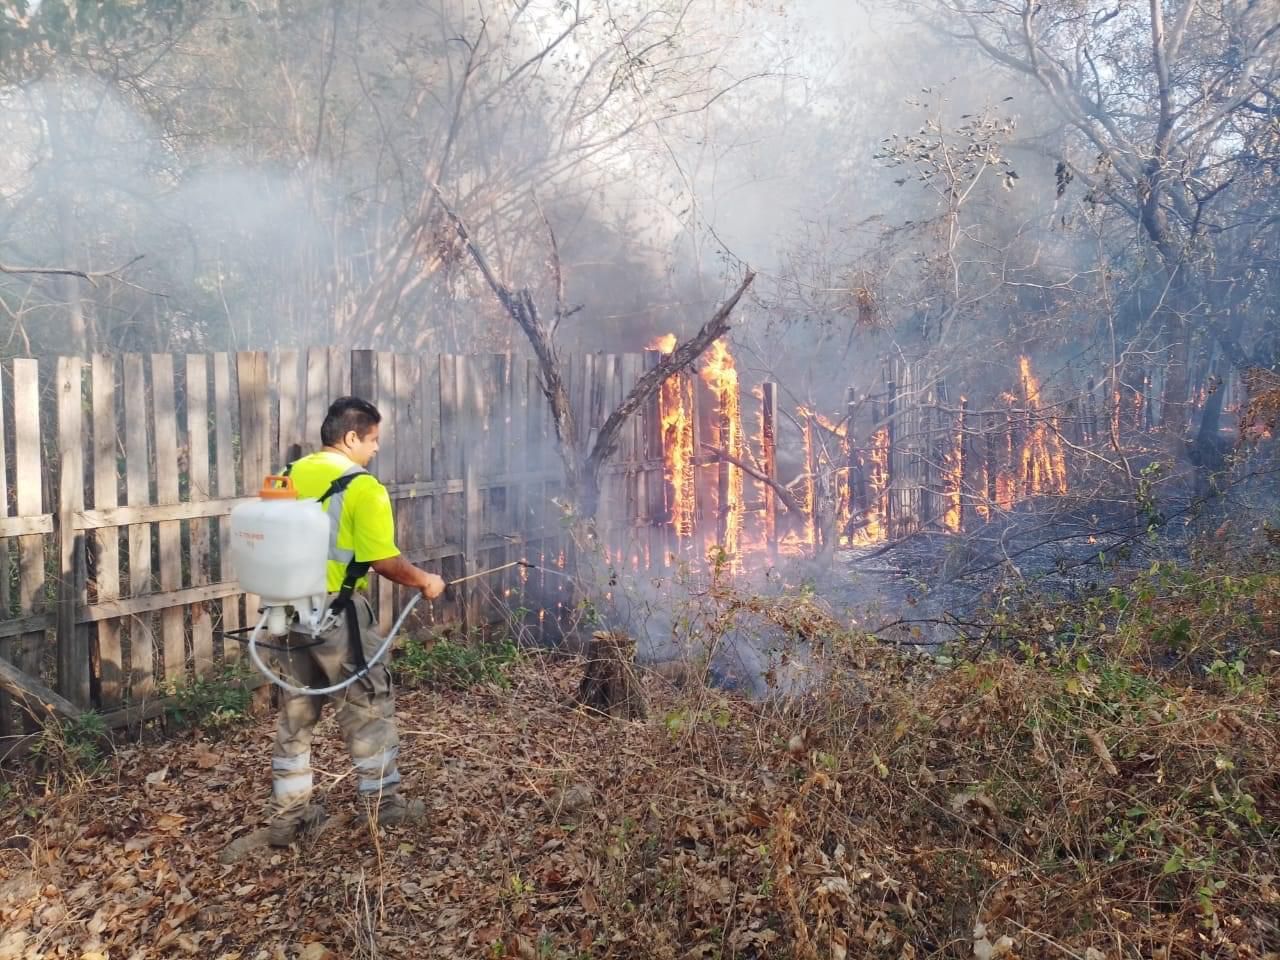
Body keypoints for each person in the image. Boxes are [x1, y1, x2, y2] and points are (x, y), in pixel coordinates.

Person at [266, 396, 445, 847]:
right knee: (367, 708)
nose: (376, 449)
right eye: (373, 440)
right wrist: (424, 580)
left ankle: (289, 819)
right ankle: (385, 809)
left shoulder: (288, 476)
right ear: (350, 438)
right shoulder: (364, 487)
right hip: (336, 617)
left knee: (296, 715)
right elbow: (382, 560)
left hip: (284, 613)